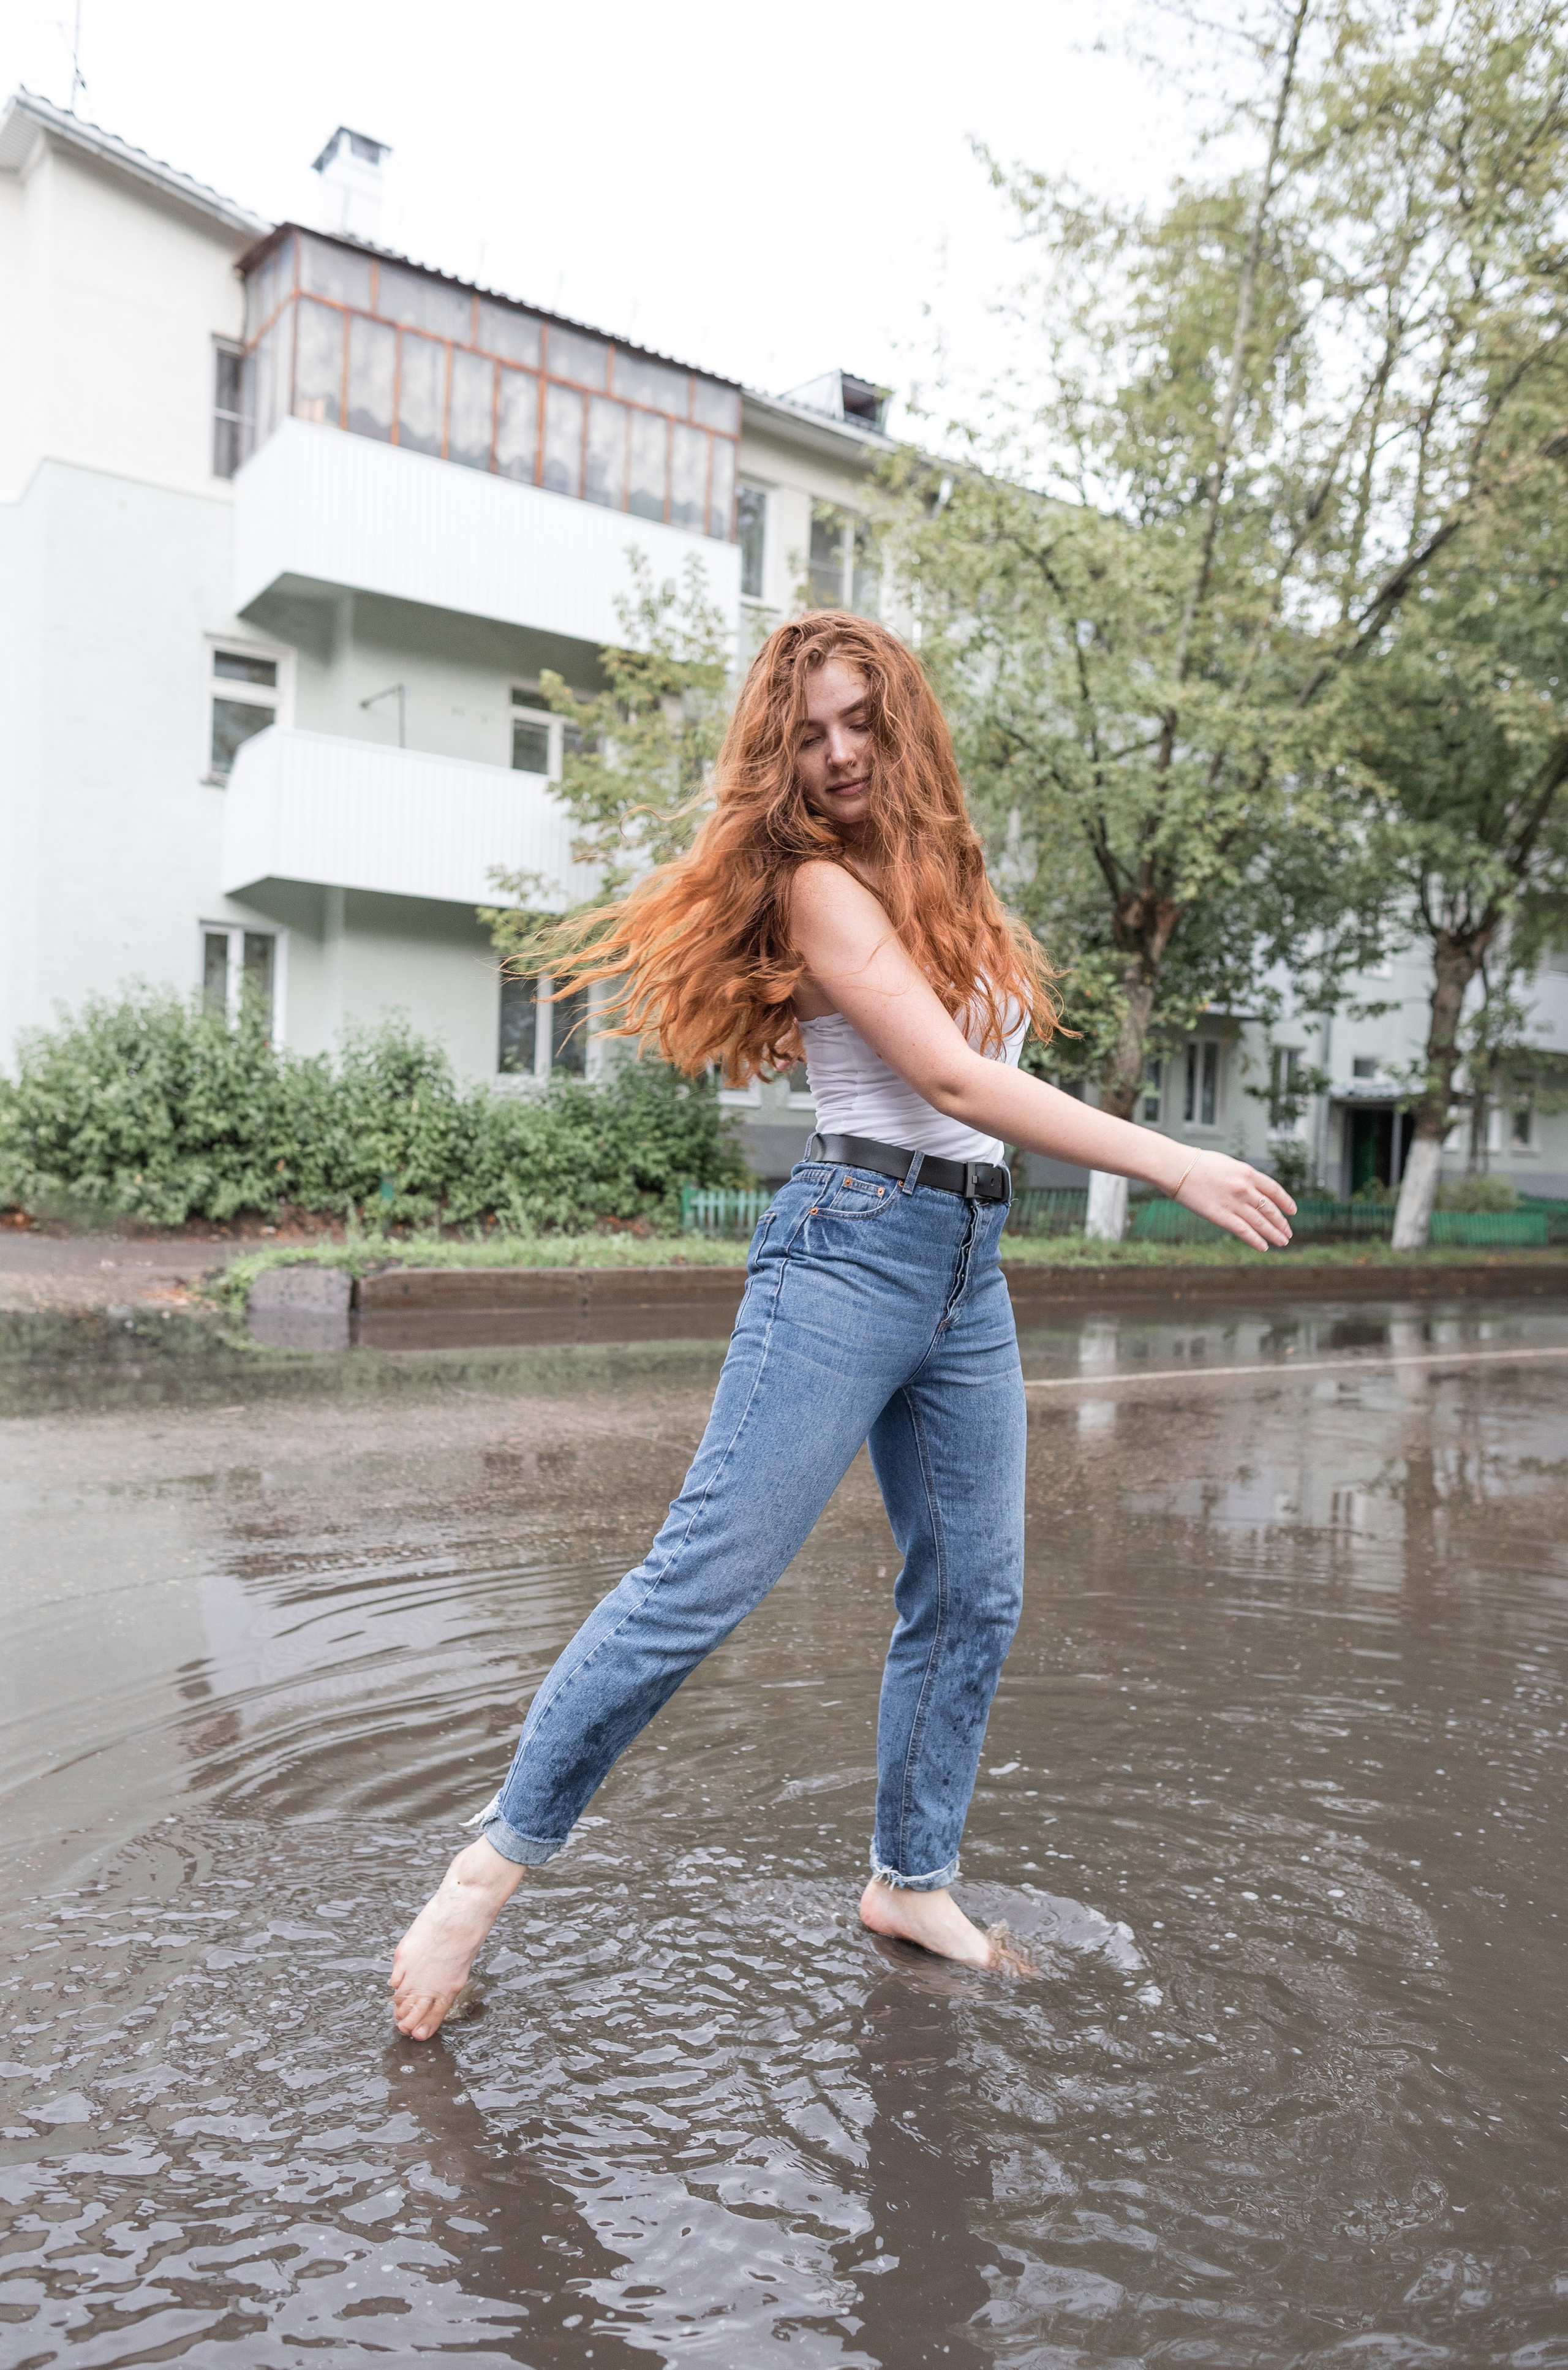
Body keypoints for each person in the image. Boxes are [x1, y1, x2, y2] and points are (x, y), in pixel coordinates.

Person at [391, 613, 1294, 2039]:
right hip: (847, 1249)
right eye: (807, 735)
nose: (837, 755)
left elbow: (981, 1089)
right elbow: (951, 1081)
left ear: (902, 725)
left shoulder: (950, 881)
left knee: (975, 1591)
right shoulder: (815, 888)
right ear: (779, 757)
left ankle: (908, 1882)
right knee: (704, 1576)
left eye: (859, 722)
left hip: (965, 1266)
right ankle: (486, 1870)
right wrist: (1171, 1161)